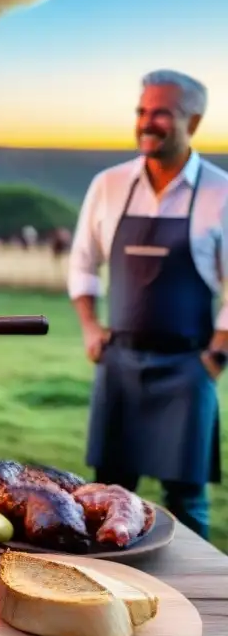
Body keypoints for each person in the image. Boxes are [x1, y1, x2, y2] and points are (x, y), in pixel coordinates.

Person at [68, 69, 228, 539]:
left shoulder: (221, 193)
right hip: (119, 363)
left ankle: (201, 602)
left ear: (192, 122)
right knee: (106, 499)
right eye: (142, 111)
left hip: (188, 366)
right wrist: (90, 328)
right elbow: (82, 264)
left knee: (188, 503)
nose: (147, 121)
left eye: (162, 112)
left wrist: (216, 354)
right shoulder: (109, 185)